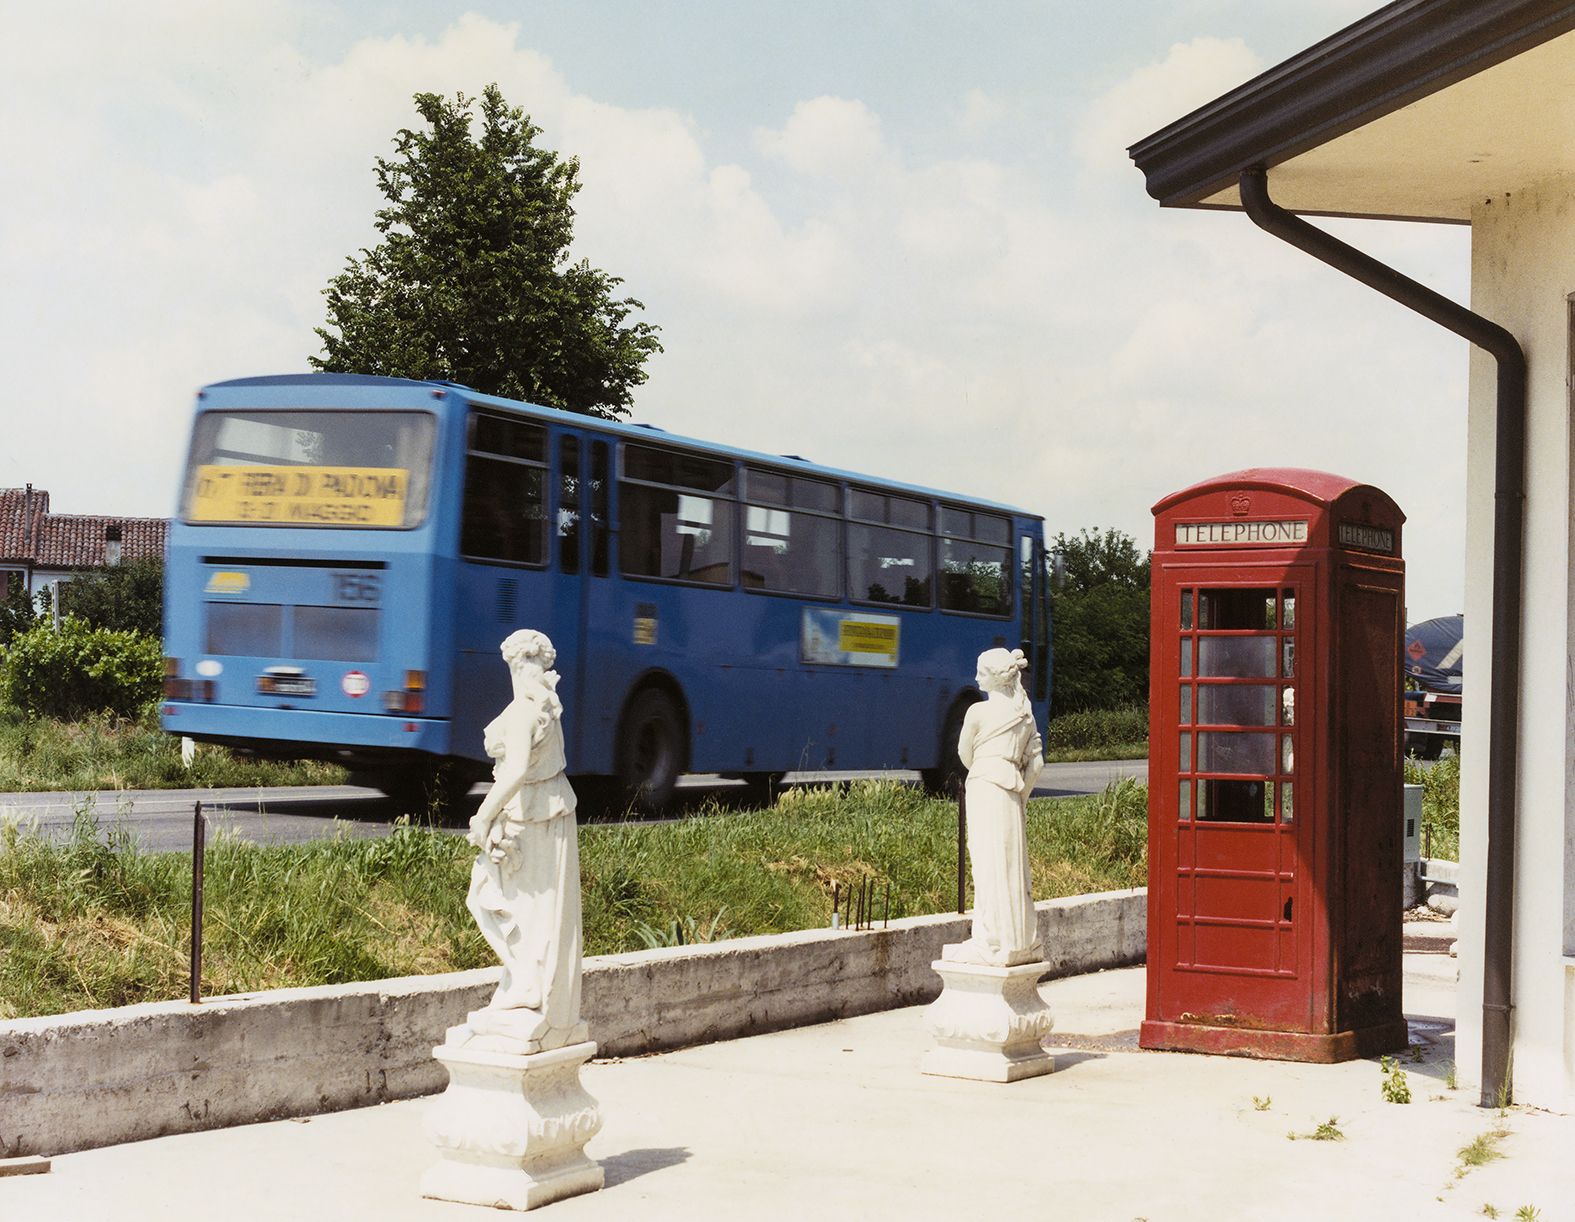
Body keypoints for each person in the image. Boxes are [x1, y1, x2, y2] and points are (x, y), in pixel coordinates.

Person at [458, 629, 587, 1051]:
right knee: (540, 910)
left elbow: (513, 772)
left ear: (512, 664)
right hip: (549, 814)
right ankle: (531, 988)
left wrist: (482, 815)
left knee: (491, 898)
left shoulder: (523, 713)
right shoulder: (547, 707)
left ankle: (526, 985)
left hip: (528, 818)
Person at [947, 647, 1045, 967]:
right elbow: (1037, 765)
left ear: (995, 677)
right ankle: (1018, 939)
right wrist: (1021, 796)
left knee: (987, 864)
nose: (976, 678)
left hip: (984, 786)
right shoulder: (1025, 715)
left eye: (981, 673)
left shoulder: (977, 712)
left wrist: (984, 770)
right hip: (1011, 790)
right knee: (1012, 865)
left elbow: (964, 755)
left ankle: (989, 939)